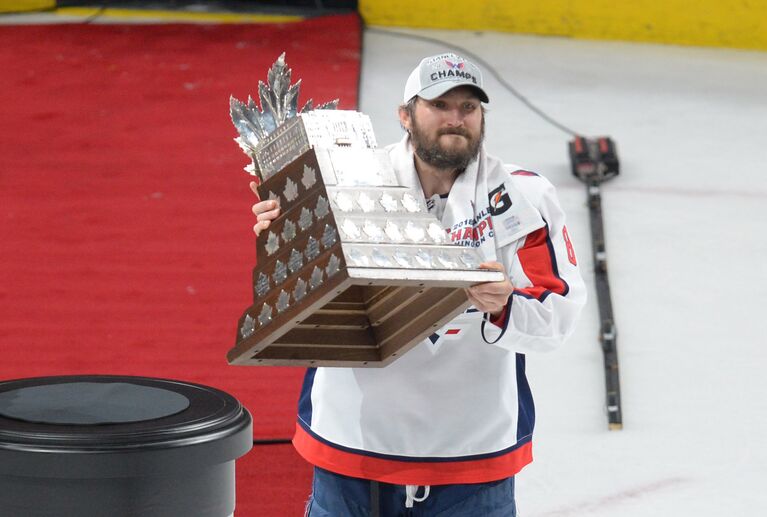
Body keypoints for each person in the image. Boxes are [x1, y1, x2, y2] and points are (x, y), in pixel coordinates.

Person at [250, 52, 586, 516]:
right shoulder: (346, 179)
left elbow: (559, 313)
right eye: (439, 105)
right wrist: (285, 239)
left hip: (472, 453)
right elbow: (306, 295)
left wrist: (504, 307)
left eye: (469, 107)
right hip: (354, 441)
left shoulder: (525, 197)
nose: (456, 119)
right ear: (405, 115)